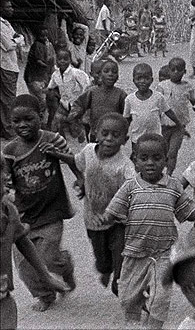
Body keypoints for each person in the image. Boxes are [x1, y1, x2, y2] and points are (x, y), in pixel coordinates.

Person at [98, 133, 195, 329]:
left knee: (161, 297)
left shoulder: (173, 186)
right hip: (135, 252)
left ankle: (154, 326)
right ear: (135, 161)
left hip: (163, 253)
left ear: (166, 160)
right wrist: (107, 217)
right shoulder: (130, 187)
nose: (150, 163)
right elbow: (114, 209)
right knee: (128, 296)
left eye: (156, 158)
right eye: (143, 158)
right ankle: (134, 320)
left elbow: (187, 210)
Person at [2, 94, 79, 311]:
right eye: (16, 121)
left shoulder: (52, 139)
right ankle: (45, 295)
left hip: (51, 212)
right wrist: (6, 194)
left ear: (42, 116)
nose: (22, 125)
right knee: (24, 264)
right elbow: (5, 179)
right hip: (24, 215)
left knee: (49, 257)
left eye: (28, 119)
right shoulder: (10, 151)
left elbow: (73, 161)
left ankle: (65, 266)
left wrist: (80, 179)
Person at [47, 112, 136, 296]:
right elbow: (77, 162)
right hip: (93, 219)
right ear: (96, 133)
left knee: (119, 251)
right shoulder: (88, 151)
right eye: (105, 133)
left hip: (118, 221)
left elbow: (132, 190)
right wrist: (59, 155)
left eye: (115, 135)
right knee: (102, 260)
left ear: (125, 139)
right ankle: (106, 270)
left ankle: (119, 282)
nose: (109, 139)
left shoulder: (125, 166)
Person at [0, 171, 69, 329]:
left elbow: (22, 240)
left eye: (2, 170)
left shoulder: (9, 210)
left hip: (3, 296)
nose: (5, 176)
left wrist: (46, 276)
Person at [124, 63, 187, 156]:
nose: (142, 81)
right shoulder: (129, 99)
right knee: (137, 159)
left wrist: (179, 124)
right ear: (134, 80)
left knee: (155, 158)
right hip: (137, 138)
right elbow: (126, 119)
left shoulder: (158, 97)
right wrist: (123, 134)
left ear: (152, 80)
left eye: (146, 78)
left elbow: (168, 111)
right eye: (139, 78)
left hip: (156, 138)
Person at [68, 59, 127, 142]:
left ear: (117, 76)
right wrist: (75, 118)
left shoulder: (121, 94)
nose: (110, 74)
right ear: (100, 75)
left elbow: (127, 114)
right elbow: (79, 104)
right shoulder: (92, 92)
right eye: (106, 71)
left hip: (114, 135)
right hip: (95, 133)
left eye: (114, 72)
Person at [157, 57, 195, 176]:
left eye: (179, 70)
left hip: (179, 127)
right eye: (172, 69)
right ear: (168, 70)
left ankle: (169, 174)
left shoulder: (187, 87)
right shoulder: (162, 86)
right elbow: (156, 103)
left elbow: (194, 102)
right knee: (162, 151)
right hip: (163, 125)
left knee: (172, 152)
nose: (175, 72)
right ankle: (158, 173)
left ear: (184, 71)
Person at [47, 49, 90, 143]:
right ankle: (60, 141)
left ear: (70, 60)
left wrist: (82, 95)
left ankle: (80, 133)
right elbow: (51, 86)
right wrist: (48, 91)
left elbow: (86, 83)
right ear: (56, 60)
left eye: (65, 59)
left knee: (72, 121)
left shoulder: (75, 73)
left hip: (75, 103)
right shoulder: (56, 74)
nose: (62, 61)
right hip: (64, 102)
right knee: (56, 122)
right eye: (59, 59)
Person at [1, 0, 25, 139]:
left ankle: (5, 129)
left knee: (7, 98)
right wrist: (18, 39)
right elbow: (9, 45)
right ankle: (9, 131)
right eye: (8, 7)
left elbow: (18, 40)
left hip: (11, 64)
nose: (11, 9)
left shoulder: (7, 24)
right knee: (8, 99)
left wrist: (17, 39)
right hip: (5, 65)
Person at [24, 26, 56, 127]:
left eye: (46, 35)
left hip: (40, 77)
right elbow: (39, 61)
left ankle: (37, 122)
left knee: (40, 101)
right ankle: (37, 123)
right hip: (34, 77)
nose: (45, 37)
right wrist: (49, 67)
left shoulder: (46, 45)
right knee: (41, 101)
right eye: (42, 35)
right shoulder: (38, 45)